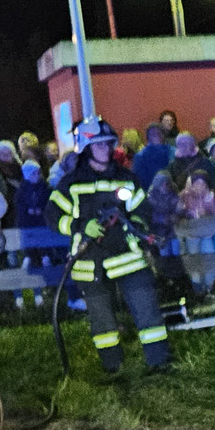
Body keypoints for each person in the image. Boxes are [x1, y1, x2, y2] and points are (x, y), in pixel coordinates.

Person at [49, 116, 171, 376]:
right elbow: (52, 215)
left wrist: (135, 223)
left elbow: (142, 208)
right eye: (100, 144)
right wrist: (80, 227)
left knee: (147, 309)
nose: (106, 149)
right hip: (88, 261)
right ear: (86, 147)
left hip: (126, 256)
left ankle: (159, 362)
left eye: (108, 144)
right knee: (102, 320)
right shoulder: (71, 183)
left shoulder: (127, 178)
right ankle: (113, 368)